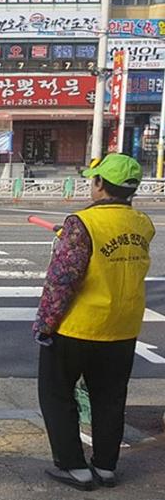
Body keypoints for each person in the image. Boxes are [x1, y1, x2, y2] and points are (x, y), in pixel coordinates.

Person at [33, 153, 155, 491]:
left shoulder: (82, 223)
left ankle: (74, 466)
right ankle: (105, 467)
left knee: (56, 394)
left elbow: (62, 280)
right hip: (122, 328)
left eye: (94, 179)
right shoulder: (143, 223)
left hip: (78, 326)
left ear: (100, 185)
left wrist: (45, 324)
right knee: (110, 398)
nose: (92, 183)